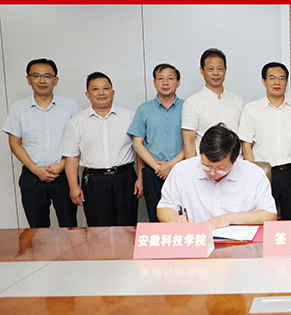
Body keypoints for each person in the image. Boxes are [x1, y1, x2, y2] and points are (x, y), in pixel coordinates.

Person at [2, 58, 81, 227]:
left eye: (47, 76)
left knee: (69, 226)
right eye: (36, 76)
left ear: (56, 80)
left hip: (64, 175)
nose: (42, 80)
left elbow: (79, 141)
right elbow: (15, 143)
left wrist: (62, 165)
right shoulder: (18, 108)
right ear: (28, 79)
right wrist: (36, 170)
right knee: (37, 228)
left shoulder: (70, 106)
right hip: (32, 175)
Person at [157, 123, 277, 227]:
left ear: (235, 160)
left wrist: (228, 219)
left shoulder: (253, 174)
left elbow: (269, 215)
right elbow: (164, 208)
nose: (212, 172)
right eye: (207, 165)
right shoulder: (182, 170)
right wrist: (175, 219)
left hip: (240, 241)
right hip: (197, 239)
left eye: (221, 168)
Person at [63, 72, 142, 226]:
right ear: (87, 94)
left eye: (105, 88)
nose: (101, 93)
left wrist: (140, 178)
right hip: (94, 181)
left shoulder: (129, 117)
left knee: (127, 227)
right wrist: (73, 187)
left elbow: (140, 150)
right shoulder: (77, 122)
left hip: (125, 179)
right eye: (95, 89)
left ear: (113, 92)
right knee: (98, 229)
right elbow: (71, 157)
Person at [238, 62, 291, 220]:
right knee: (263, 219)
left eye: (281, 78)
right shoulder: (252, 109)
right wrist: (253, 174)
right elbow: (246, 145)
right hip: (264, 172)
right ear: (263, 81)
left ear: (287, 82)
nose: (277, 82)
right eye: (272, 78)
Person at [128, 63, 184, 222]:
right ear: (154, 82)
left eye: (170, 78)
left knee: (182, 218)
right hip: (153, 172)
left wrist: (171, 165)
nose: (165, 83)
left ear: (178, 82)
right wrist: (157, 167)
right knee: (155, 218)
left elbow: (191, 142)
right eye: (160, 78)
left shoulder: (188, 107)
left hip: (180, 170)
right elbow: (138, 144)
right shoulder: (144, 109)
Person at [182, 48, 243, 158]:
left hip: (235, 162)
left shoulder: (237, 100)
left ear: (225, 70)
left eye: (219, 69)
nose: (216, 73)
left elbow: (243, 138)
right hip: (206, 164)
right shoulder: (192, 103)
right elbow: (188, 142)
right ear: (202, 70)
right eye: (211, 69)